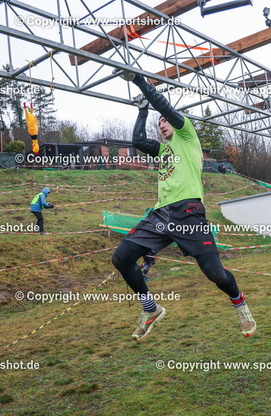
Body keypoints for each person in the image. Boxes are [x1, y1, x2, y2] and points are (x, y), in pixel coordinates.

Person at [111, 72, 256, 341]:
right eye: (159, 123)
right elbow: (138, 142)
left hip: (188, 212)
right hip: (160, 214)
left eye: (164, 120)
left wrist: (139, 81)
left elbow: (165, 106)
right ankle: (150, 309)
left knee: (215, 273)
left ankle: (240, 305)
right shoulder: (164, 150)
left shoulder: (187, 135)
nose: (162, 124)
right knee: (121, 258)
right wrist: (142, 111)